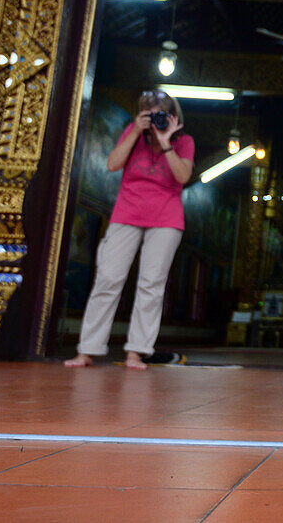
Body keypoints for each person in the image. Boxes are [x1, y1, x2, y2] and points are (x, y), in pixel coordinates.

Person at [65, 90, 194, 370]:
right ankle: (87, 350)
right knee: (108, 279)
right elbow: (112, 164)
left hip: (166, 220)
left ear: (174, 117)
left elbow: (183, 176)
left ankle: (137, 352)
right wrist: (136, 130)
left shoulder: (184, 142)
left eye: (163, 115)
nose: (157, 119)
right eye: (151, 115)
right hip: (126, 213)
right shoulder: (131, 134)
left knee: (151, 285)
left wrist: (165, 141)